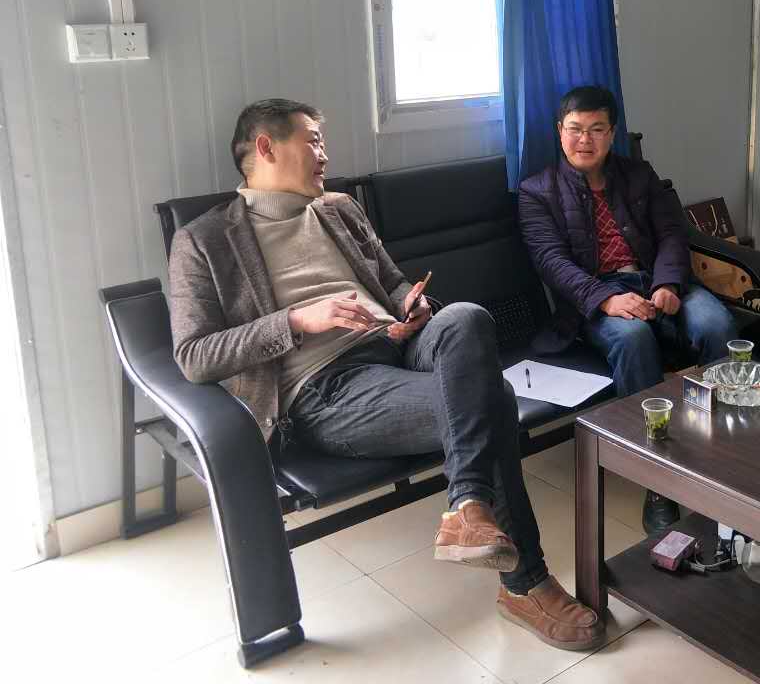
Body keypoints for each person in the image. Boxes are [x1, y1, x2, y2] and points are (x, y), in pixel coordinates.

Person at [168, 99, 603, 652]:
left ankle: (467, 508)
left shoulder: (339, 208)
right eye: (313, 140)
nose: (325, 154)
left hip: (397, 348)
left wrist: (409, 306)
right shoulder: (205, 240)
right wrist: (297, 320)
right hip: (326, 390)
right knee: (491, 396)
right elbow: (195, 355)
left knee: (464, 316)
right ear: (265, 147)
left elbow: (393, 283)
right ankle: (524, 582)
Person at [518, 85, 738, 534]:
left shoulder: (639, 175)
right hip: (595, 298)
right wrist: (606, 299)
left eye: (596, 129)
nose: (585, 140)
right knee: (634, 339)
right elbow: (551, 262)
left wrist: (668, 282)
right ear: (559, 131)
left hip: (658, 280)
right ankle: (658, 481)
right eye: (575, 129)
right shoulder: (536, 192)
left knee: (718, 325)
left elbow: (673, 233)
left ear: (612, 133)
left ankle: (723, 453)